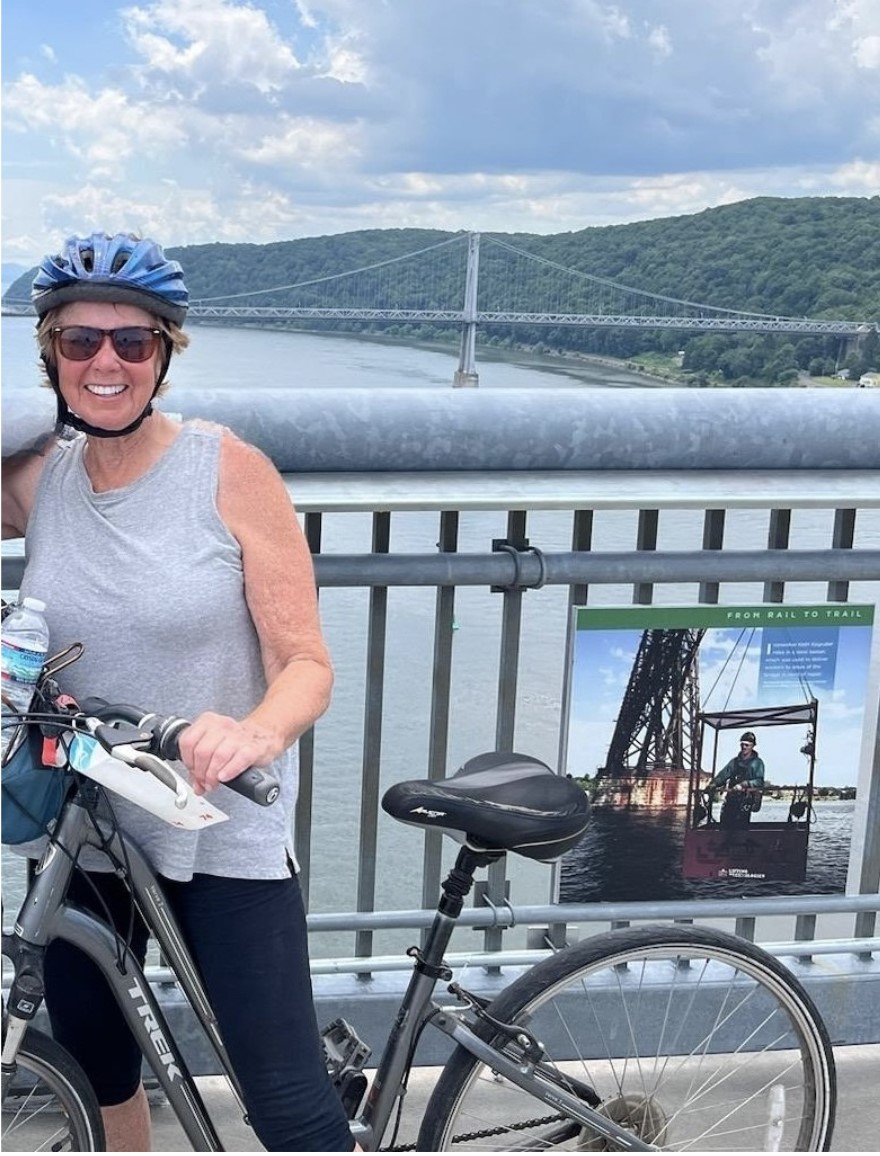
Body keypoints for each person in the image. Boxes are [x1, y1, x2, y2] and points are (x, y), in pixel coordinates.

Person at [1, 232, 355, 1151]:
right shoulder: (44, 479)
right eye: (79, 342)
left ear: (166, 354)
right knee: (99, 1064)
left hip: (217, 824)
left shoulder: (229, 470)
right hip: (88, 822)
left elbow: (307, 663)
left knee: (288, 1106)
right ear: (49, 352)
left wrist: (253, 735)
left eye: (133, 342)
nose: (106, 362)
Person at [709, 730, 765, 829]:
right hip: (731, 798)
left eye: (747, 745)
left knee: (741, 827)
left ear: (752, 746)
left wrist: (744, 784)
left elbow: (759, 781)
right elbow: (723, 775)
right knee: (725, 823)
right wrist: (713, 784)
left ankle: (740, 842)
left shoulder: (757, 763)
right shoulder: (734, 762)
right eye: (742, 744)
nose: (744, 747)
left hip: (746, 800)